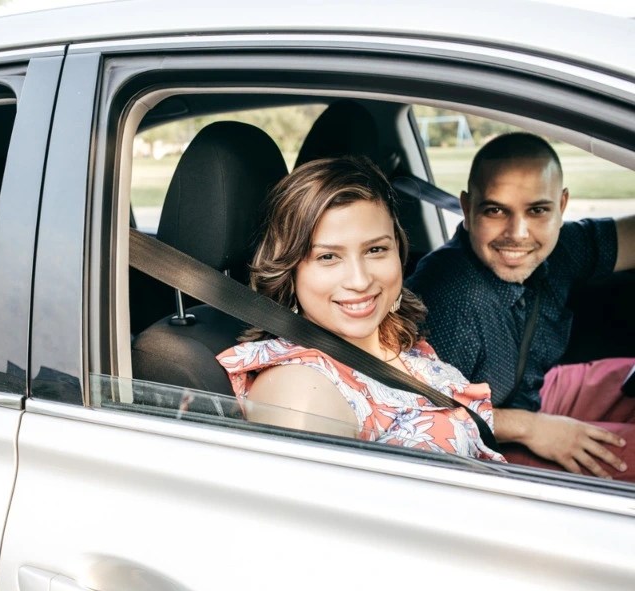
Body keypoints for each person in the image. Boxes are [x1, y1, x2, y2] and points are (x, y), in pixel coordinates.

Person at [217, 156, 505, 462]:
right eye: (328, 257)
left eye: (375, 250)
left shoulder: (394, 343)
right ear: (290, 268)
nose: (360, 280)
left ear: (398, 247)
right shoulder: (302, 391)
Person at [406, 132, 635, 481]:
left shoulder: (560, 250)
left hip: (530, 394)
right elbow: (421, 416)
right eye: (496, 210)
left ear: (562, 206)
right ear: (468, 209)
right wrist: (531, 428)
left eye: (538, 210)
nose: (519, 233)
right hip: (485, 445)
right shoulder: (451, 294)